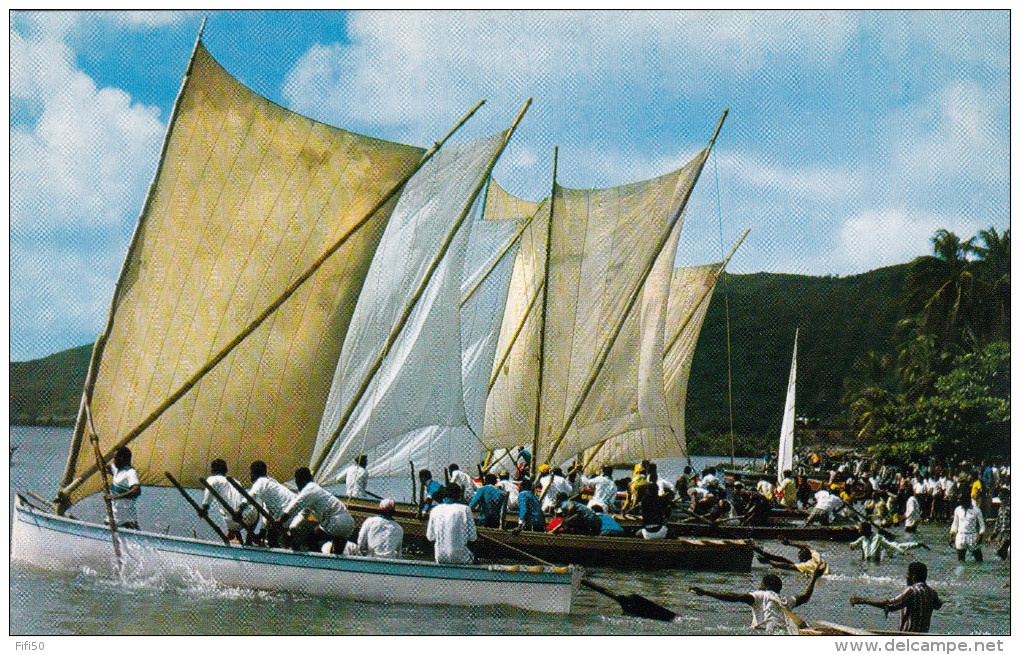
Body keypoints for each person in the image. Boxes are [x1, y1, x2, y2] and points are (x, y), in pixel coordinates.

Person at [690, 566, 825, 634]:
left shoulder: (760, 595)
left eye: (760, 584)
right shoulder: (786, 600)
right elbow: (806, 597)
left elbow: (734, 597)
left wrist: (706, 592)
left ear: (765, 586)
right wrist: (814, 577)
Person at [849, 562, 943, 633]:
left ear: (913, 577)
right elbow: (938, 605)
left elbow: (890, 605)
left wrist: (862, 600)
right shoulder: (932, 593)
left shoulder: (912, 591)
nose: (906, 577)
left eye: (907, 574)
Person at [278, 467, 355, 552]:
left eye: (297, 482)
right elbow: (303, 514)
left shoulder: (309, 490)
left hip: (336, 522)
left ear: (301, 481)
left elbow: (293, 508)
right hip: (349, 523)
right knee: (336, 553)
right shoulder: (315, 491)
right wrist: (293, 528)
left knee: (310, 538)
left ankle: (313, 561)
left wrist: (280, 520)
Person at [247, 460, 297, 547]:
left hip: (287, 514)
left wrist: (239, 510)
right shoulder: (271, 482)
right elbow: (267, 511)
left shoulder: (260, 481)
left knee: (272, 535)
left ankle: (275, 555)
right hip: (295, 512)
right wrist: (261, 532)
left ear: (253, 475)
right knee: (272, 532)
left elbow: (250, 496)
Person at [425, 482, 477, 564]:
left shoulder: (435, 510)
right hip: (461, 558)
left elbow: (430, 537)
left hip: (440, 557)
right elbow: (473, 537)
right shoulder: (465, 509)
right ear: (459, 495)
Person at [200, 458, 249, 544]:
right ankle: (238, 538)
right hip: (245, 518)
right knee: (234, 529)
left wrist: (204, 508)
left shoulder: (213, 479)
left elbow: (207, 497)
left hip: (232, 520)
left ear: (212, 470)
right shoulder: (235, 482)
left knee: (231, 523)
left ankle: (232, 534)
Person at [849, 522, 926, 562]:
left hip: (875, 563)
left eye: (860, 529)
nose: (859, 531)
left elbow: (891, 546)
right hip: (866, 562)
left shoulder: (878, 538)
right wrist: (852, 546)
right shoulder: (862, 539)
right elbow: (853, 544)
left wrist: (903, 552)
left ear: (866, 530)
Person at [105, 446, 141, 530]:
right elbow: (105, 467)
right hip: (113, 518)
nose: (113, 460)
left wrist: (115, 497)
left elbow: (136, 491)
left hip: (126, 521)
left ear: (122, 459)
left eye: (115, 458)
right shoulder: (116, 470)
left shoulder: (130, 473)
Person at [754, 539, 830, 577]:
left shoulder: (806, 565)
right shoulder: (815, 556)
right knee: (782, 559)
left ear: (803, 559)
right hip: (823, 571)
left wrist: (768, 561)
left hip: (822, 575)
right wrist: (789, 543)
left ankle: (760, 552)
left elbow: (787, 566)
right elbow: (807, 546)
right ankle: (757, 550)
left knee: (784, 562)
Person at [949, 493, 986, 562]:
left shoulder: (976, 510)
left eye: (960, 499)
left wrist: (980, 536)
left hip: (972, 536)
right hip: (961, 536)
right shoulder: (958, 509)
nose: (958, 501)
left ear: (967, 500)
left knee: (979, 560)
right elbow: (955, 524)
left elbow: (982, 525)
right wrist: (951, 536)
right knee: (961, 560)